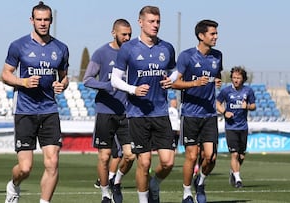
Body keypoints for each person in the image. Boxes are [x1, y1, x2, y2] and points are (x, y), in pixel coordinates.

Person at [1, 1, 69, 203]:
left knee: (53, 162)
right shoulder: (18, 45)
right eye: (38, 19)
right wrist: (22, 81)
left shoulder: (61, 48)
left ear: (51, 21)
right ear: (32, 20)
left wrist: (62, 85)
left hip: (49, 110)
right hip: (25, 110)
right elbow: (6, 74)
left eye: (46, 19)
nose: (42, 23)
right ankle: (13, 186)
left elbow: (64, 77)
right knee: (25, 168)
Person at [111, 6, 176, 203]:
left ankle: (154, 184)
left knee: (168, 162)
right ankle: (143, 200)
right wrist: (133, 89)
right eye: (151, 21)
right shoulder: (128, 49)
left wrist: (170, 80)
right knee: (144, 162)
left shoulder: (167, 48)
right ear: (141, 22)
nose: (155, 25)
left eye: (158, 21)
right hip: (137, 113)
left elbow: (174, 71)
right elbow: (115, 80)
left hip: (160, 112)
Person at [83, 18, 135, 203]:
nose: (128, 38)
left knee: (130, 155)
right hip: (105, 111)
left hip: (128, 112)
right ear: (114, 33)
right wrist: (107, 85)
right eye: (124, 34)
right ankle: (105, 193)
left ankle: (117, 182)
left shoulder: (135, 53)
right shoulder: (102, 53)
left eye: (130, 34)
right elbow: (87, 79)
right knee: (105, 157)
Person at [171, 19, 223, 203]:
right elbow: (174, 82)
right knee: (192, 156)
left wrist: (216, 82)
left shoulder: (218, 56)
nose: (216, 37)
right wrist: (194, 83)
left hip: (209, 114)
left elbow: (216, 76)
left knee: (211, 157)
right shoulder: (186, 56)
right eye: (212, 33)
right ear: (201, 36)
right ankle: (186, 193)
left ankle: (200, 181)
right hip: (190, 114)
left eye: (216, 33)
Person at [216, 66, 256, 188]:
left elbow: (253, 106)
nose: (236, 80)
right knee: (234, 154)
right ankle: (238, 180)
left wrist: (247, 107)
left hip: (243, 127)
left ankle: (233, 171)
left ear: (243, 79)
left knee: (241, 156)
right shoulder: (226, 91)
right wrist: (224, 112)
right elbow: (217, 103)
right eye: (234, 77)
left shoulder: (248, 91)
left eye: (238, 78)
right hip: (231, 127)